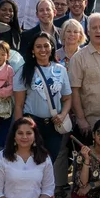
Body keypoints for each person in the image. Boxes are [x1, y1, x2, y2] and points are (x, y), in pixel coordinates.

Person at [13, 33, 73, 165]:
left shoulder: (61, 70)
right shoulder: (24, 71)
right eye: (38, 46)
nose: (43, 49)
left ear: (52, 47)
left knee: (49, 163)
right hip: (32, 125)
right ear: (33, 50)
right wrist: (18, 130)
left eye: (46, 46)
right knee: (32, 163)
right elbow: (18, 105)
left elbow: (67, 98)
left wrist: (62, 115)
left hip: (54, 125)